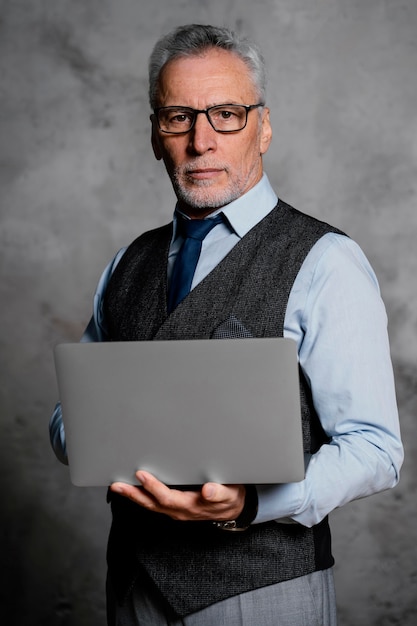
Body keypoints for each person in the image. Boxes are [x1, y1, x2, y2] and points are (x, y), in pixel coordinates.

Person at [50, 23, 403, 626]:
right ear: (155, 135)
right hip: (134, 585)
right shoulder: (126, 263)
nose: (201, 140)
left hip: (263, 592)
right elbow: (68, 426)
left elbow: (376, 450)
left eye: (226, 114)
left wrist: (249, 503)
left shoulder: (325, 260)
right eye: (178, 117)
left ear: (263, 127)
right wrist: (94, 434)